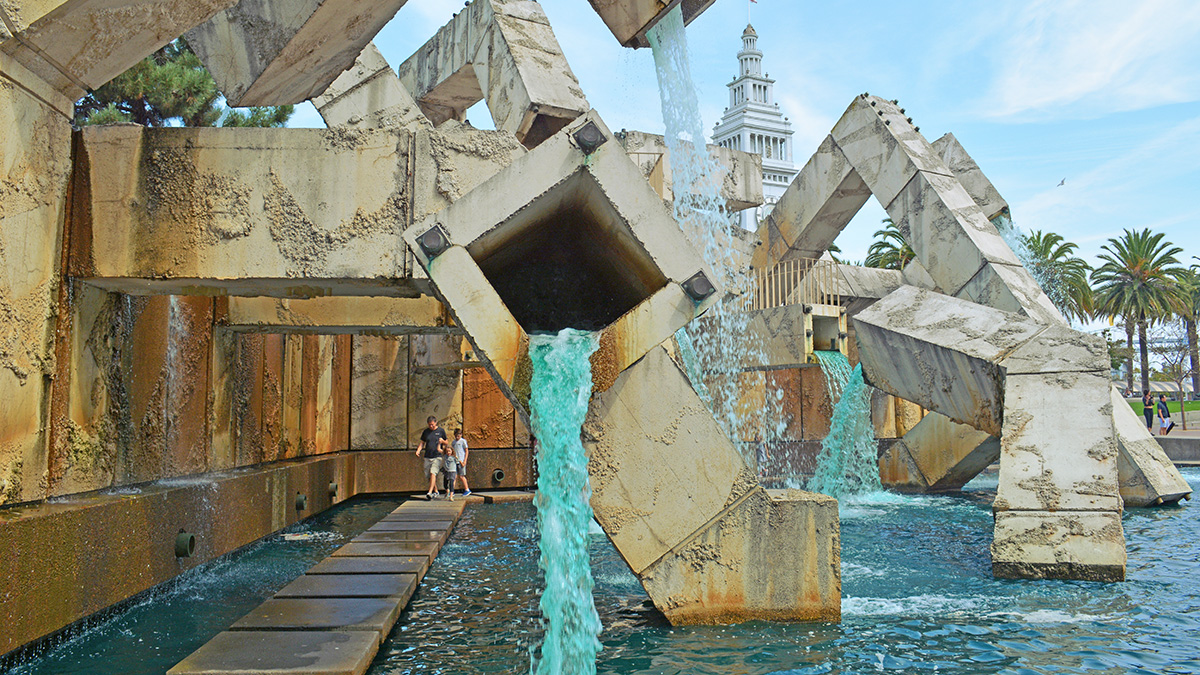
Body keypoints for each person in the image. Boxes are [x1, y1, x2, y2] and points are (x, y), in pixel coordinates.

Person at [415, 415, 449, 500]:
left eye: (432, 424)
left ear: (436, 422)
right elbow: (422, 442)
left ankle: (429, 492)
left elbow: (447, 442)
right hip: (427, 456)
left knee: (432, 472)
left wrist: (443, 441)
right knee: (428, 476)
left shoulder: (441, 431)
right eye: (429, 425)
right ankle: (436, 491)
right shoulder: (426, 432)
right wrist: (418, 450)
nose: (431, 426)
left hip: (437, 456)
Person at [451, 428, 471, 497]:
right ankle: (452, 491)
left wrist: (465, 460)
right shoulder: (453, 442)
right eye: (456, 436)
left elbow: (466, 451)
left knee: (462, 476)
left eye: (458, 436)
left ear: (461, 435)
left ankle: (467, 489)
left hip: (461, 460)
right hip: (455, 461)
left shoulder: (463, 441)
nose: (457, 437)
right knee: (454, 476)